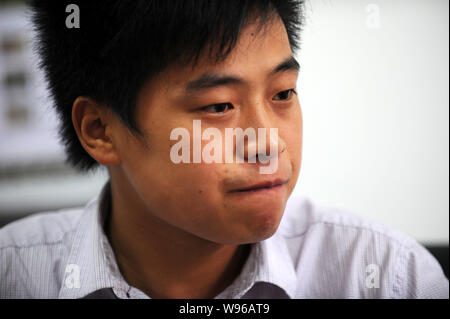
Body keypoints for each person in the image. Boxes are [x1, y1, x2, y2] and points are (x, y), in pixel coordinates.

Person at [0, 0, 448, 299]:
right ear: (100, 130)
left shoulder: (386, 276)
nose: (267, 143)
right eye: (219, 106)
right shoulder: (14, 276)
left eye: (283, 94)